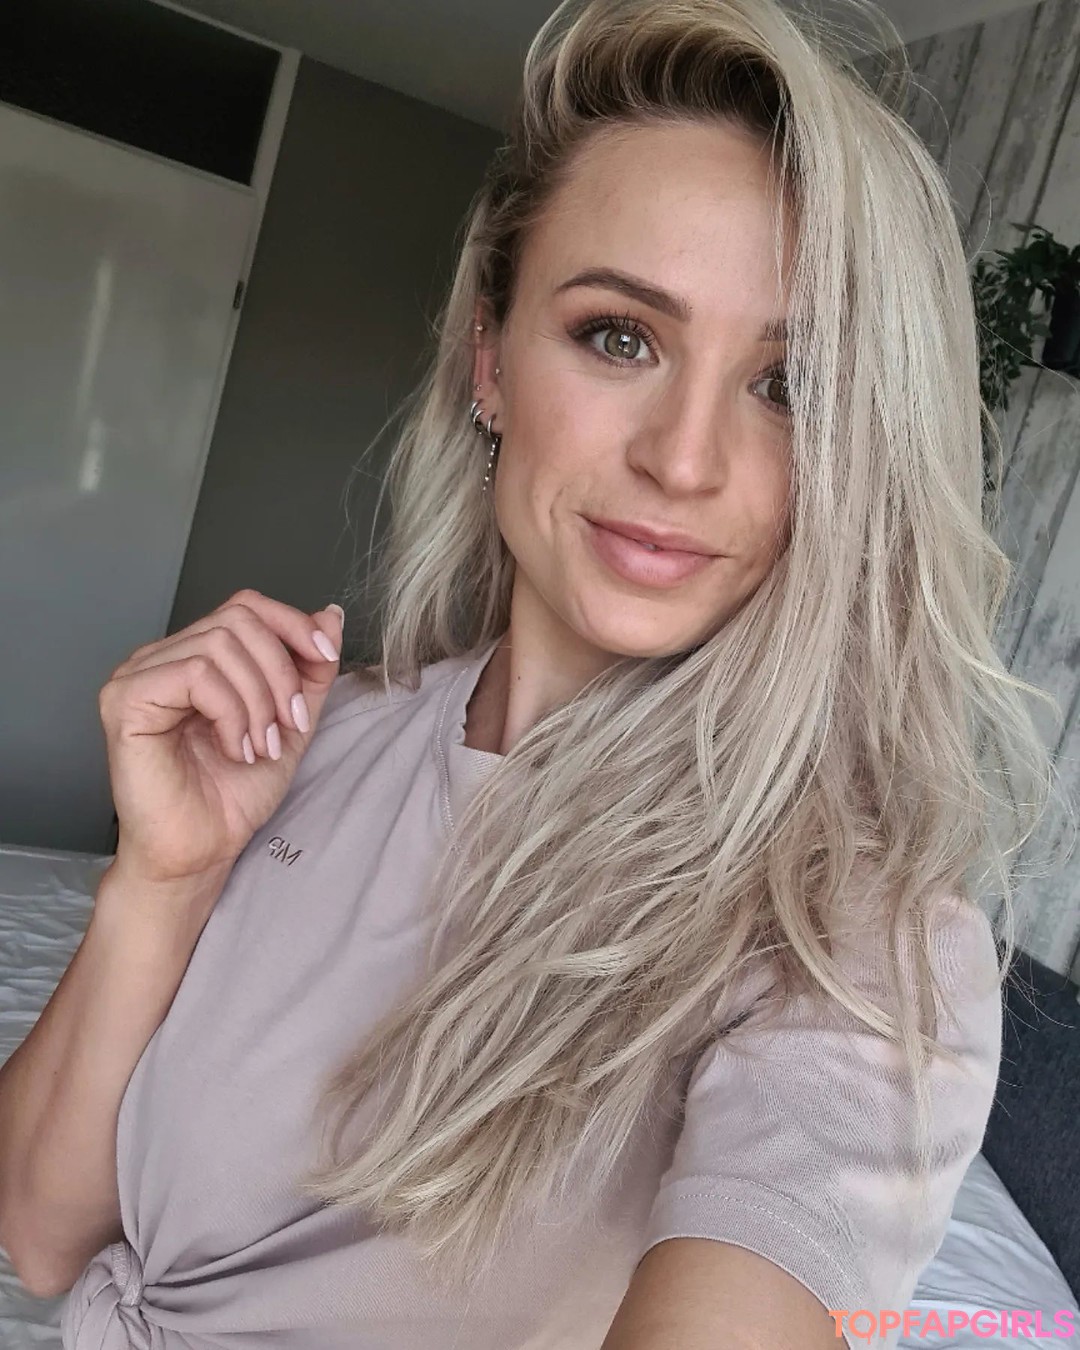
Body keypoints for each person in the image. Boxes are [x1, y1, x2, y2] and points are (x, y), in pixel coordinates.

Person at [0, 0, 1050, 1346]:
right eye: (621, 336)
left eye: (790, 388)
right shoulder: (322, 738)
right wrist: (163, 880)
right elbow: (42, 1231)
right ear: (490, 364)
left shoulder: (850, 939)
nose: (684, 459)